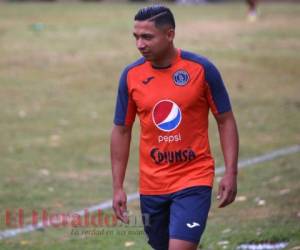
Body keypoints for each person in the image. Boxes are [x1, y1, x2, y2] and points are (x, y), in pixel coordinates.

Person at [111, 5, 239, 250]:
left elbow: (225, 120)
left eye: (147, 37)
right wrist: (117, 187)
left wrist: (231, 171)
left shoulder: (201, 70)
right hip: (152, 185)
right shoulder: (131, 76)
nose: (139, 44)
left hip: (194, 178)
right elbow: (121, 130)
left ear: (169, 34)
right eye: (136, 37)